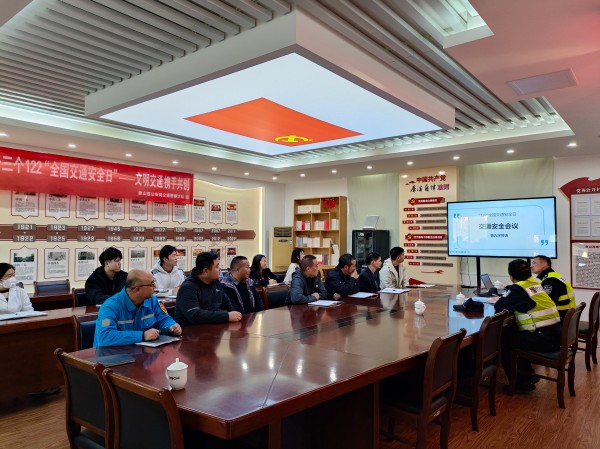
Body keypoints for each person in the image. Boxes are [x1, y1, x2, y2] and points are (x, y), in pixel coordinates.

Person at [494, 259, 561, 393]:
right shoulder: (535, 283)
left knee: (503, 340)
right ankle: (527, 375)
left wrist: (505, 298)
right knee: (512, 332)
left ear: (511, 276)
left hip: (544, 339)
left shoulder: (518, 289)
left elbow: (499, 306)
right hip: (555, 335)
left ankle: (520, 383)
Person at [93, 269, 182, 347]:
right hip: (111, 356)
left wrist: (171, 326)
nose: (155, 286)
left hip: (139, 353)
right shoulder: (109, 308)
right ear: (137, 289)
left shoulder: (152, 300)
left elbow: (163, 318)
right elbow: (105, 336)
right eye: (151, 284)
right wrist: (142, 336)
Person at [175, 252, 242, 325]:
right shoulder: (188, 288)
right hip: (192, 330)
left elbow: (229, 306)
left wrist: (234, 315)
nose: (219, 269)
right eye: (217, 266)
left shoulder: (216, 283)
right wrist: (226, 316)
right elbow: (195, 315)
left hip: (214, 328)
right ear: (206, 271)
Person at [531, 255, 575, 320]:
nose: (531, 266)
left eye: (534, 263)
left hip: (559, 316)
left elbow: (547, 302)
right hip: (565, 314)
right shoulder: (553, 276)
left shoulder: (550, 280)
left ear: (544, 264)